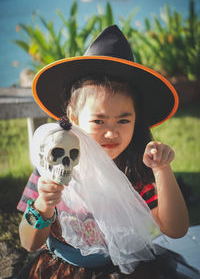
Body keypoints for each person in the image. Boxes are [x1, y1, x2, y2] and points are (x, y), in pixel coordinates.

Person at [17, 25, 191, 279]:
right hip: (62, 270)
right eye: (98, 121)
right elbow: (28, 243)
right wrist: (43, 205)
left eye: (123, 120)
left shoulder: (135, 170)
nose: (111, 133)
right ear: (73, 118)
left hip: (123, 269)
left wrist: (163, 170)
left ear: (136, 120)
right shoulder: (53, 166)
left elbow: (175, 229)